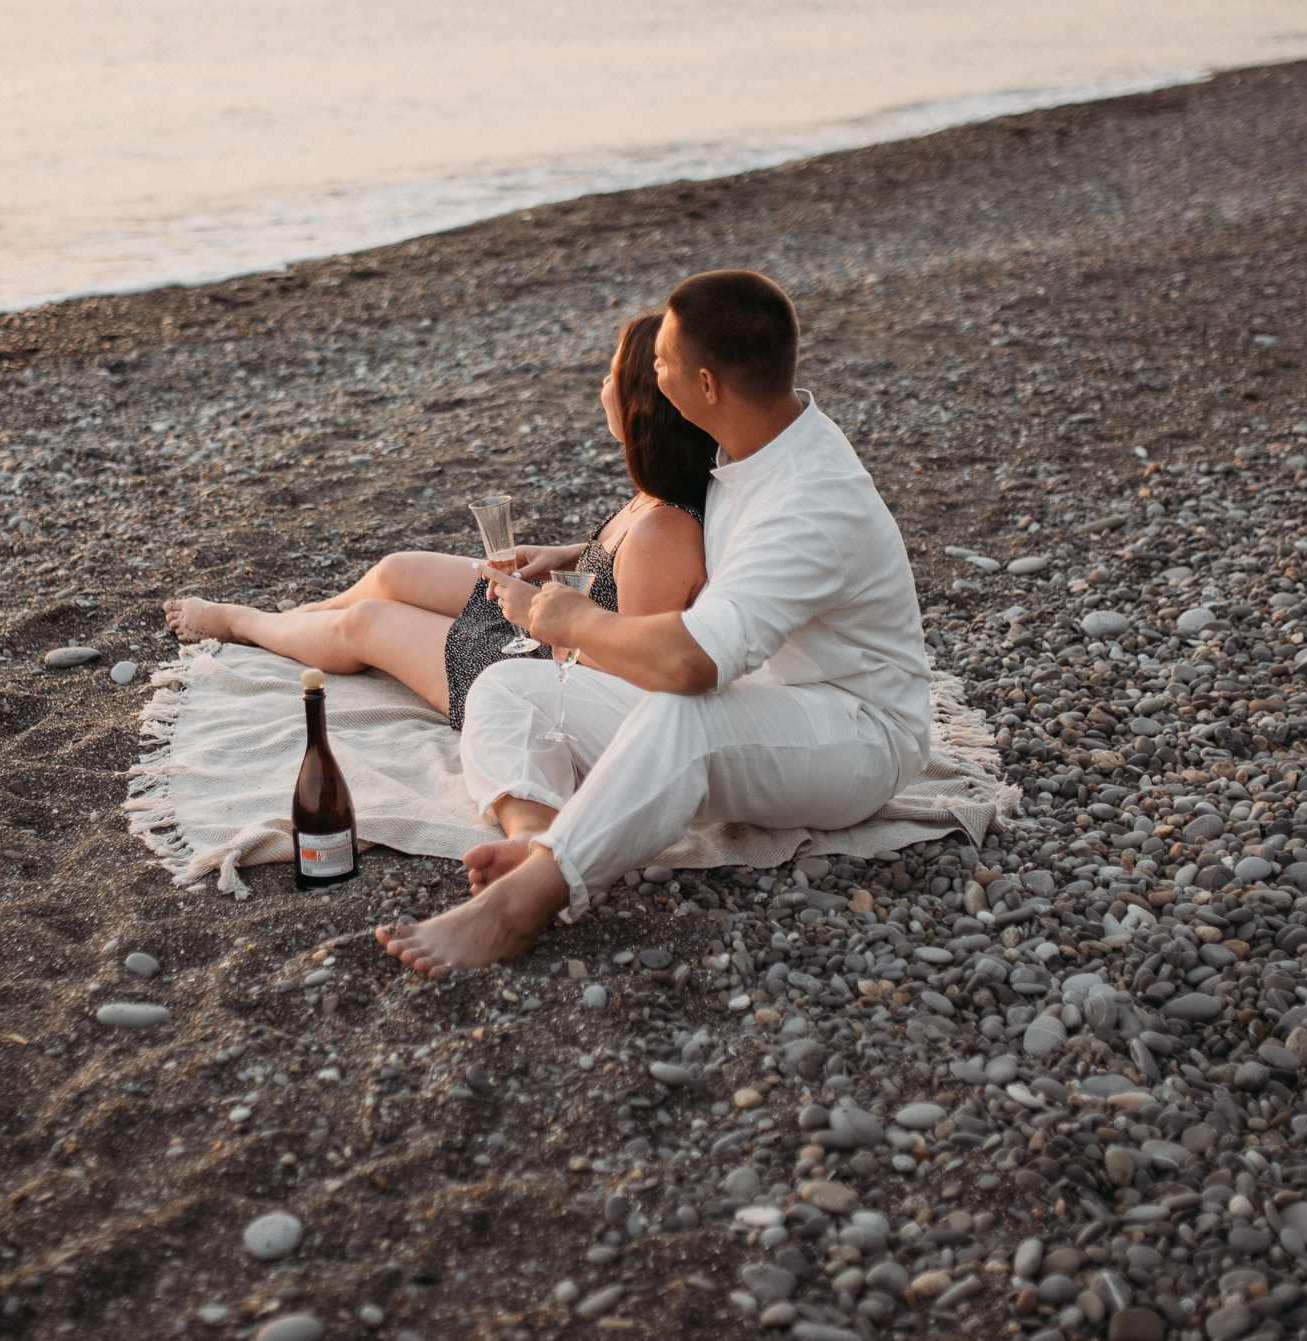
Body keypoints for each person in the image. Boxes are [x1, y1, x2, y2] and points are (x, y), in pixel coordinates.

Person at [377, 269, 931, 980]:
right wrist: (580, 557)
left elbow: (692, 663)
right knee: (509, 685)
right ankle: (542, 833)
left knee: (683, 712)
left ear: (706, 386)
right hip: (766, 696)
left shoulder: (812, 499)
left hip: (859, 730)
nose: (650, 366)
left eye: (662, 358)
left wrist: (574, 620)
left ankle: (527, 901)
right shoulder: (754, 441)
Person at [162, 314, 714, 723]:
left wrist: (536, 616)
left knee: (365, 623)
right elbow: (631, 576)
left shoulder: (664, 529)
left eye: (611, 373)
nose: (601, 386)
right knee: (396, 571)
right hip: (542, 626)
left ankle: (242, 622)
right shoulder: (656, 496)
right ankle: (299, 619)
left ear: (642, 404)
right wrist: (568, 556)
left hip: (534, 674)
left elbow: (640, 674)